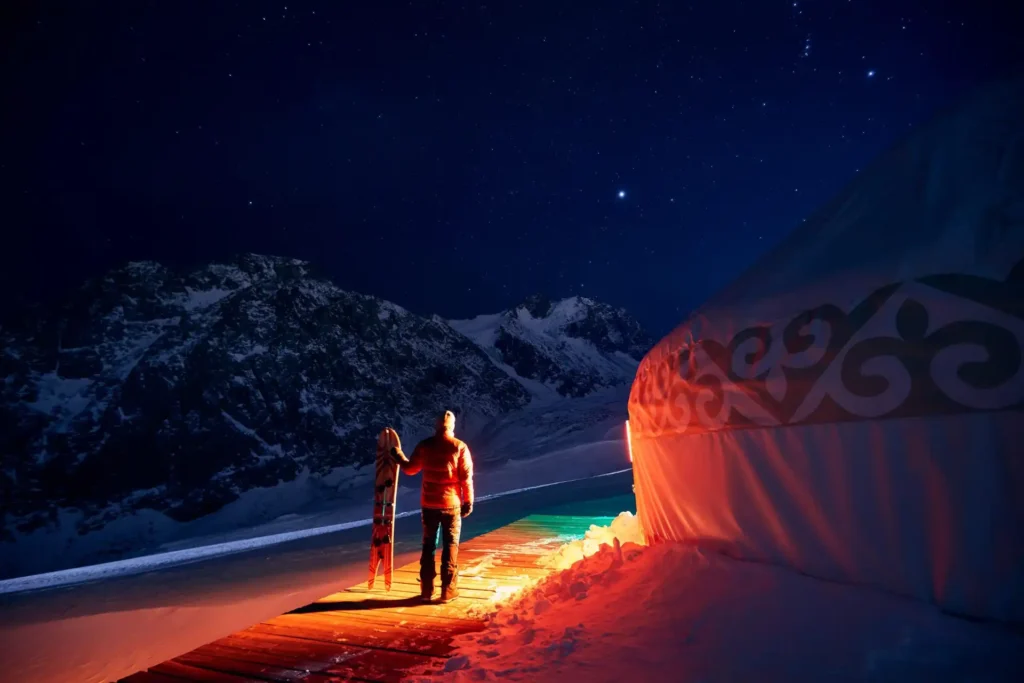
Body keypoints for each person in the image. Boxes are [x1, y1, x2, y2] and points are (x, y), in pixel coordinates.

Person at [391, 410, 474, 603]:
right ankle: (448, 589)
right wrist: (468, 501)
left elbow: (410, 469)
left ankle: (427, 590)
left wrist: (399, 456)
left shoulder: (425, 446)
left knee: (428, 546)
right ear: (452, 426)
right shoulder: (459, 447)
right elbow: (466, 478)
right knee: (450, 545)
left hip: (429, 505)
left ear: (436, 425)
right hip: (451, 505)